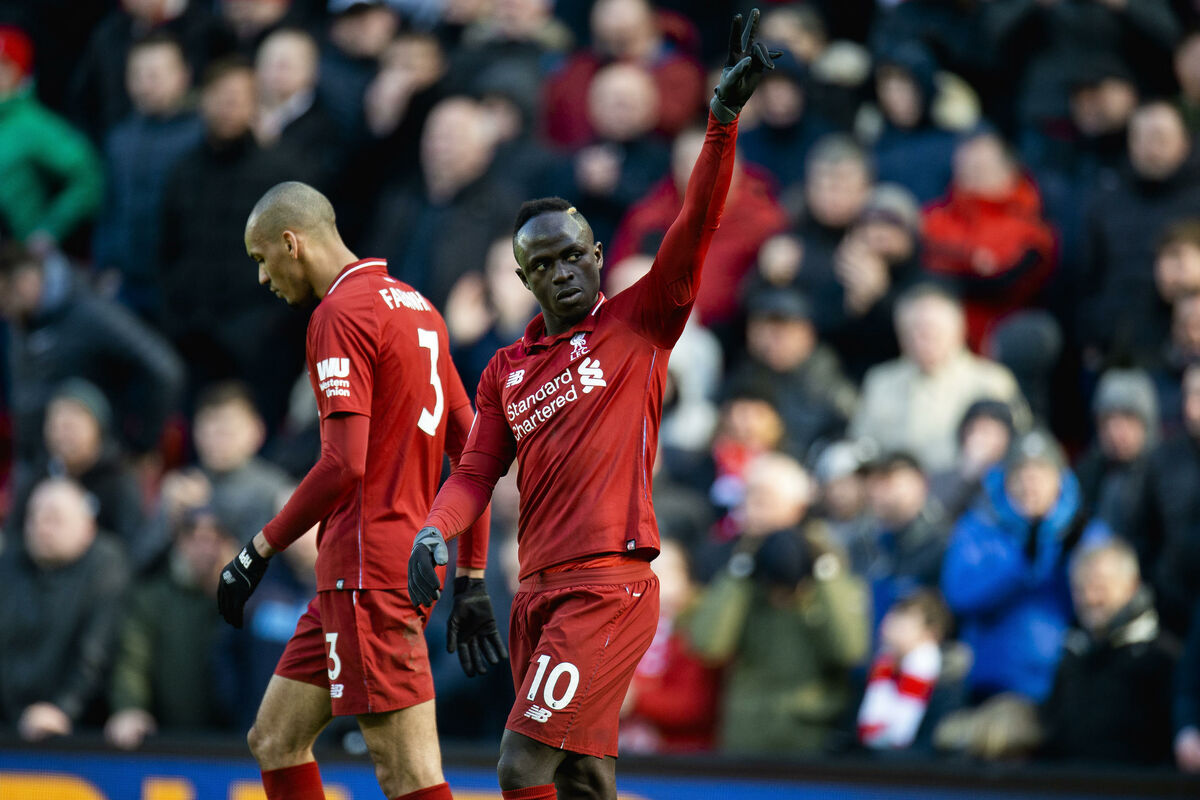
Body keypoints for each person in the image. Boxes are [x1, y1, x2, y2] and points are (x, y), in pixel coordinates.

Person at [407, 13, 777, 799]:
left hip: (607, 586)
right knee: (583, 781)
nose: (563, 271)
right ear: (524, 280)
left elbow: (698, 221)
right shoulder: (506, 370)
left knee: (520, 766)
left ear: (598, 255)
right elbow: (474, 473)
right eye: (543, 264)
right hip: (535, 593)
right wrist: (436, 530)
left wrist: (721, 121)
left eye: (573, 254)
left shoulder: (641, 321)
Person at [216, 181, 500, 800]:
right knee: (274, 739)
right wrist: (472, 576)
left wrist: (258, 551)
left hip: (368, 574)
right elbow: (474, 455)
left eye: (262, 259)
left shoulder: (338, 314)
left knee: (408, 773)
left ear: (291, 243)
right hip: (378, 571)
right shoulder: (419, 308)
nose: (263, 277)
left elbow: (343, 463)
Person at [0, 478, 129, 740]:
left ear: (87, 529)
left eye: (54, 519)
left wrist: (64, 708)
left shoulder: (106, 567)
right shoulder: (9, 564)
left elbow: (94, 655)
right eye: (34, 518)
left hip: (77, 733)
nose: (41, 527)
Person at [1039, 538, 1177, 765]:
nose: (1090, 598)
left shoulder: (1161, 658)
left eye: (1100, 587)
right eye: (1079, 589)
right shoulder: (1072, 653)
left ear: (1131, 586)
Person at [857, 588, 952, 751]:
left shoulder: (945, 683)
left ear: (930, 633)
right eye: (894, 619)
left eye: (903, 623)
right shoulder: (880, 667)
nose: (891, 628)